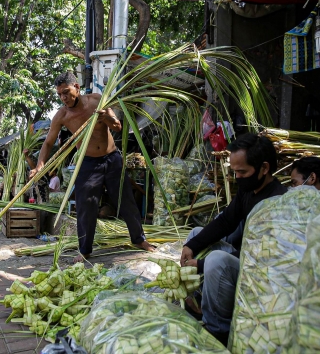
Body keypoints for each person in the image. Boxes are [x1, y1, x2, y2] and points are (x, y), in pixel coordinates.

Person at [29, 72, 155, 263]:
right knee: (85, 206)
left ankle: (139, 240)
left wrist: (106, 118)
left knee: (126, 200)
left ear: (77, 88)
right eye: (60, 95)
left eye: (66, 92)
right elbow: (48, 143)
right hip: (88, 163)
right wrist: (39, 166)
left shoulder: (97, 101)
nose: (63, 98)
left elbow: (118, 127)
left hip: (112, 159)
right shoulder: (62, 115)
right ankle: (85, 249)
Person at [180, 133, 287, 345]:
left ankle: (217, 329)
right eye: (234, 171)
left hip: (259, 271)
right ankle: (197, 300)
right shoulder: (249, 190)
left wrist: (200, 264)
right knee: (196, 234)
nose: (236, 177)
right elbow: (225, 221)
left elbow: (259, 254)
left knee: (215, 260)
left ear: (264, 168)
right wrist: (191, 246)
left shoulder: (277, 202)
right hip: (245, 258)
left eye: (242, 172)